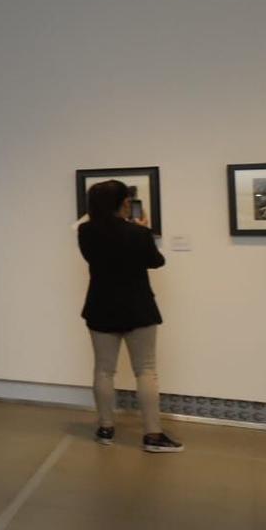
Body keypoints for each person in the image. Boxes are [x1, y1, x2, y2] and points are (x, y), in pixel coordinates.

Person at [79, 179, 181, 452]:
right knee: (146, 371)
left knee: (103, 370)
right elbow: (156, 262)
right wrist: (143, 231)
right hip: (138, 308)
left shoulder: (85, 231)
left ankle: (105, 428)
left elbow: (94, 257)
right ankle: (153, 436)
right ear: (123, 203)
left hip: (100, 306)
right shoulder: (137, 234)